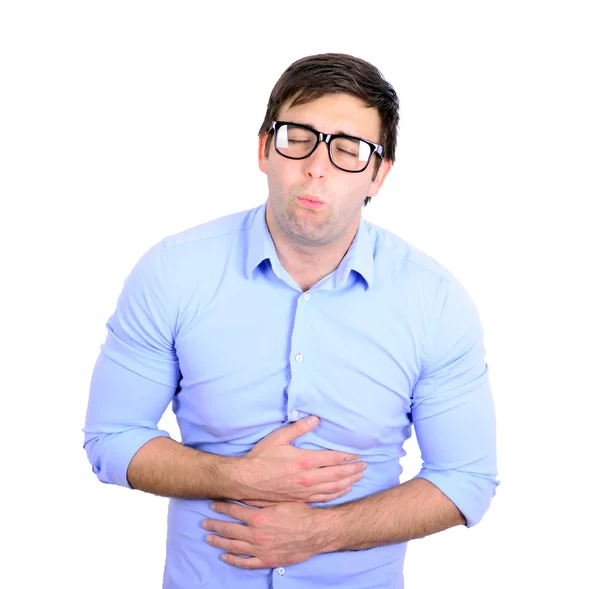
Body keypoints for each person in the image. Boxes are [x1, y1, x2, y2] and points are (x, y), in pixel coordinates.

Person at [83, 52, 499, 589]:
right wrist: (233, 476)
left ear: (379, 174)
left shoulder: (436, 302)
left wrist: (322, 532)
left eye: (349, 149)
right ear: (264, 148)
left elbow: (466, 480)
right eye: (298, 137)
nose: (317, 166)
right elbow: (112, 436)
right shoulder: (171, 272)